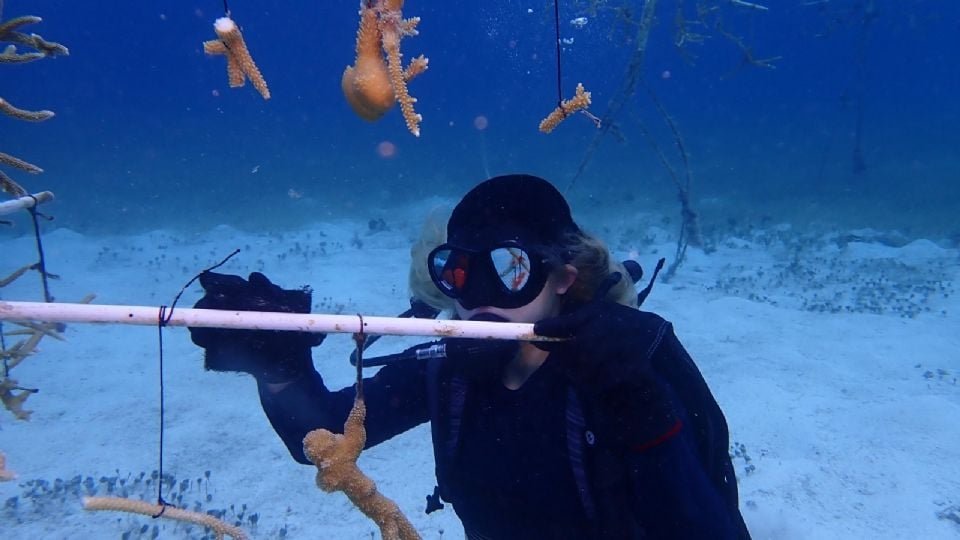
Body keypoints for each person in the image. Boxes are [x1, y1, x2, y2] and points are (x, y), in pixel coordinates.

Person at [189, 174, 751, 539]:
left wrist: (640, 402)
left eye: (509, 270)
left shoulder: (635, 355)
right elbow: (321, 440)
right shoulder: (451, 367)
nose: (478, 297)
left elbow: (710, 528)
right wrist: (278, 365)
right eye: (459, 273)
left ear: (562, 277)